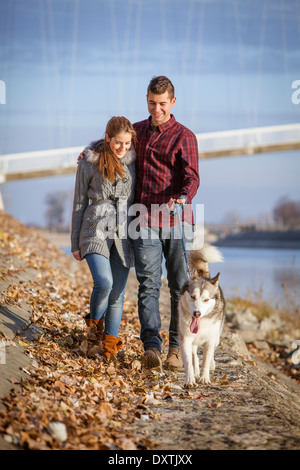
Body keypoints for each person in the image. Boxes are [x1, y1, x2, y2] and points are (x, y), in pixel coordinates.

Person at [132, 76, 200, 371]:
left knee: (177, 288)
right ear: (147, 100)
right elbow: (112, 142)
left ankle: (175, 349)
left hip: (176, 220)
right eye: (151, 103)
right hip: (143, 218)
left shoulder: (185, 136)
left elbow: (192, 177)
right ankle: (151, 347)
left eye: (161, 104)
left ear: (173, 102)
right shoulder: (136, 131)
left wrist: (184, 197)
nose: (156, 109)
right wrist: (91, 153)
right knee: (148, 284)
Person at [71, 116, 136, 362]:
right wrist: (74, 243)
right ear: (107, 138)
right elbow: (79, 203)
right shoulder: (88, 163)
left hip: (123, 232)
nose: (122, 148)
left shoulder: (132, 163)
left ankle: (109, 346)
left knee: (117, 294)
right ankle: (93, 331)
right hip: (94, 227)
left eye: (127, 144)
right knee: (104, 283)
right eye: (118, 143)